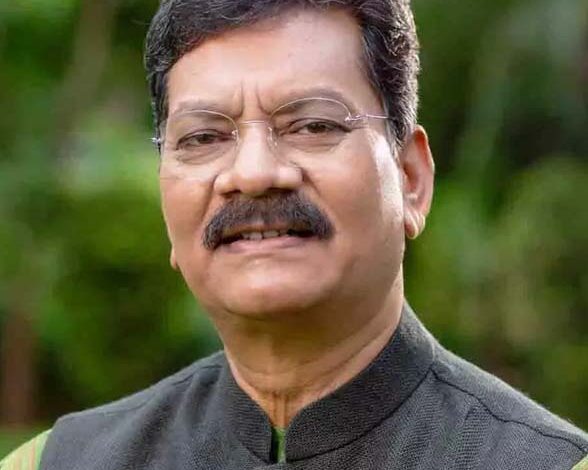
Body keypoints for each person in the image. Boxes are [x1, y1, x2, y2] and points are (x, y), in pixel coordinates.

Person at [2, 1, 587, 468]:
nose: (254, 173)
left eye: (312, 125)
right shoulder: (57, 462)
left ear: (410, 179)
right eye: (203, 138)